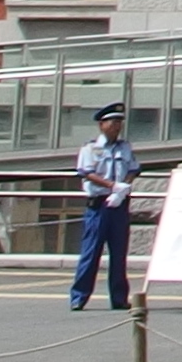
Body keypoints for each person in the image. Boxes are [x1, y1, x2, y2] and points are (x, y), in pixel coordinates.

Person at [67, 102, 137, 311]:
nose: (117, 126)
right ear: (101, 124)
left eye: (119, 122)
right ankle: (79, 297)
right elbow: (87, 173)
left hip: (119, 205)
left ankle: (119, 297)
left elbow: (133, 168)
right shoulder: (91, 148)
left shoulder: (125, 147)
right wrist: (112, 186)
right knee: (91, 253)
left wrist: (124, 187)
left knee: (119, 254)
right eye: (113, 122)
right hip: (99, 206)